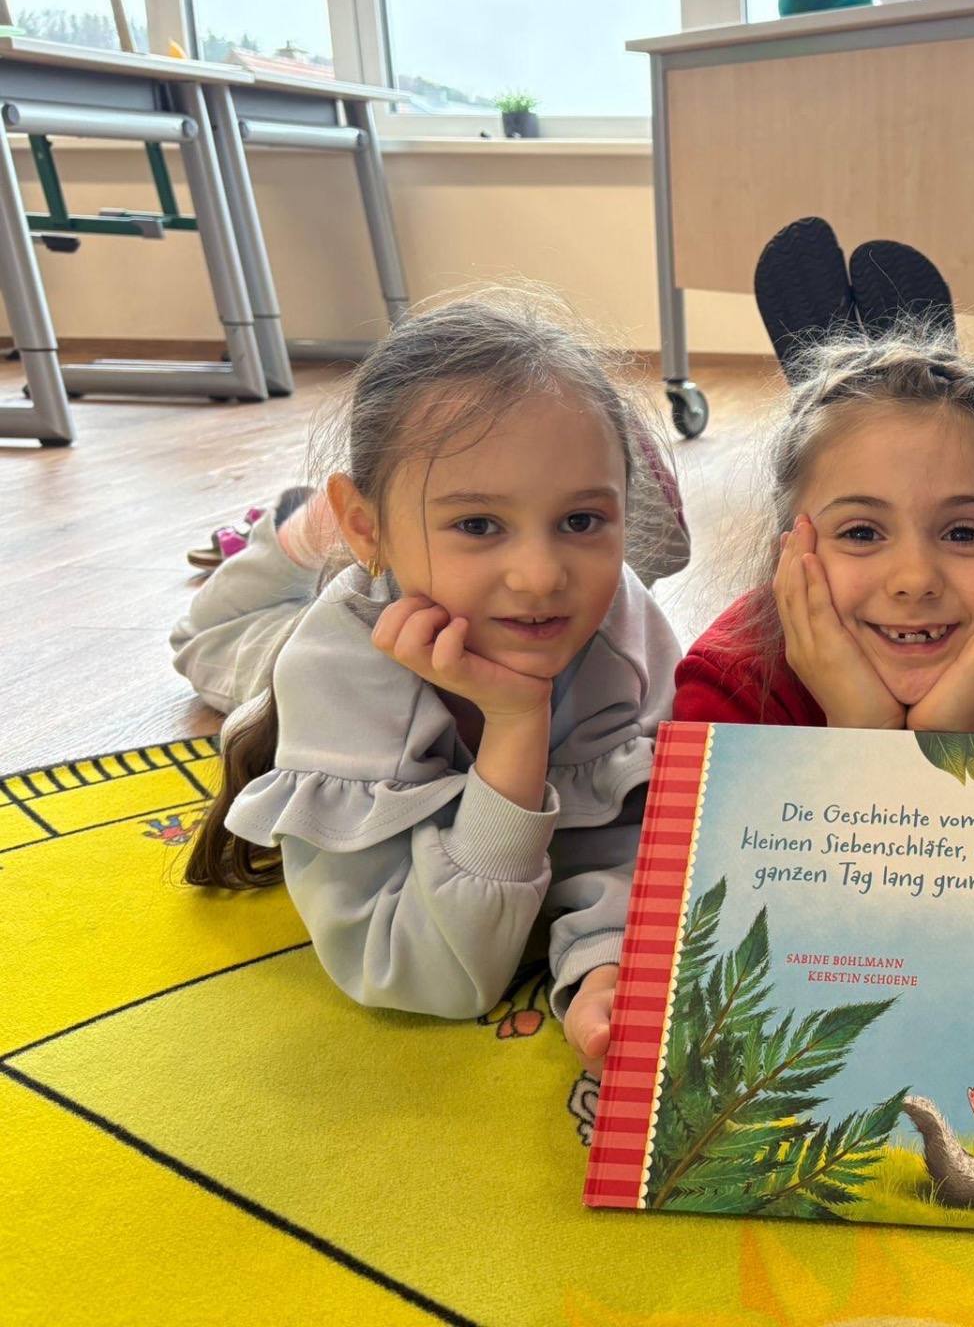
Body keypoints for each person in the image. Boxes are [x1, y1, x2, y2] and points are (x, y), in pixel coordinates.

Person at [172, 290, 686, 1072]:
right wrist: (516, 727)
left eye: (582, 520)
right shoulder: (329, 668)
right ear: (368, 525)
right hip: (285, 641)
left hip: (411, 574)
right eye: (477, 523)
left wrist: (605, 958)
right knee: (206, 640)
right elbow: (426, 975)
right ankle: (297, 532)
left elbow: (627, 844)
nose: (542, 576)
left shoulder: (625, 627)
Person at [670, 322, 974, 740]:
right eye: (861, 533)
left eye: (963, 534)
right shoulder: (726, 685)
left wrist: (948, 742)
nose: (915, 580)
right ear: (788, 551)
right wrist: (862, 733)